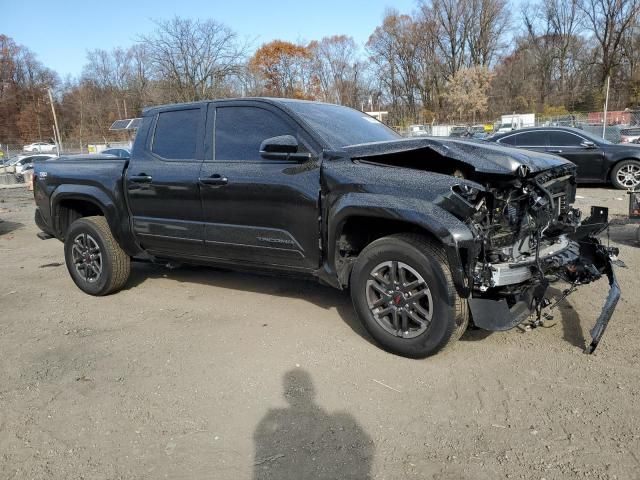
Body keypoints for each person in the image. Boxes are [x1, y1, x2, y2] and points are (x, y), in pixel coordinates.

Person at [253, 369, 374, 479]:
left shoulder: (328, 420)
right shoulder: (275, 420)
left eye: (303, 390)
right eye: (293, 392)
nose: (299, 398)